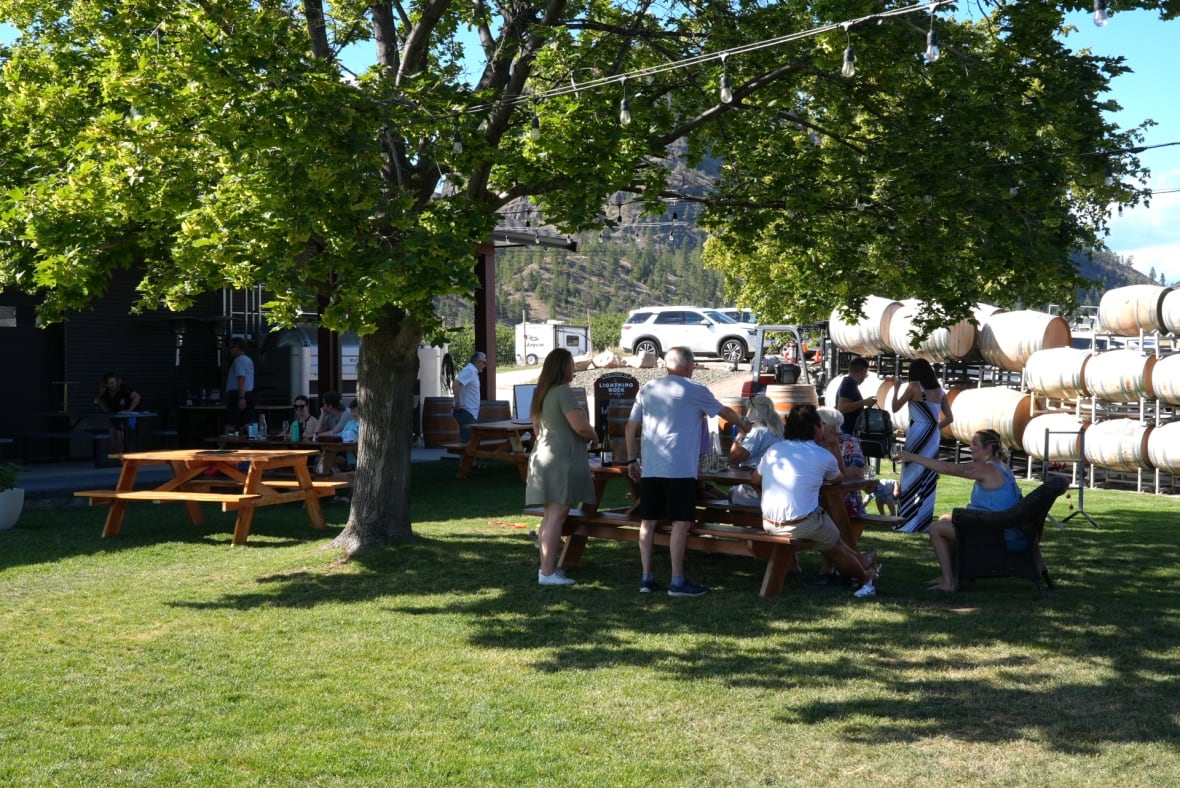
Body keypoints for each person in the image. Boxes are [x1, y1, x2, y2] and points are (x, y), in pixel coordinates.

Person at [624, 346, 751, 597]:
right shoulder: (694, 390)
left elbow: (630, 428)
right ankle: (677, 580)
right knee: (681, 524)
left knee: (647, 522)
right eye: (692, 364)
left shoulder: (648, 389)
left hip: (651, 466)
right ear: (689, 365)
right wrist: (744, 424)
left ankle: (646, 577)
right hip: (680, 468)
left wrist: (631, 460)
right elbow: (724, 412)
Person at [751, 404, 879, 598]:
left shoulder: (774, 450)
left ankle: (861, 559)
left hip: (768, 522)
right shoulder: (821, 455)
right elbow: (838, 478)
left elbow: (755, 480)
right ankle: (865, 576)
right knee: (835, 545)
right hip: (800, 523)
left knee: (831, 534)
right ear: (815, 428)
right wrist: (835, 445)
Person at [899, 429, 1021, 592]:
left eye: (974, 444)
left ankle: (949, 582)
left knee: (935, 529)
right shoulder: (1002, 467)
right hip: (999, 525)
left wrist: (912, 457)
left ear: (988, 448)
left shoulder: (985, 468)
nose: (970, 447)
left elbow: (948, 468)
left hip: (993, 532)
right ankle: (954, 574)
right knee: (944, 519)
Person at [525, 349, 600, 587]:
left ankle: (546, 570)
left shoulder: (542, 393)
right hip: (560, 460)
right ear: (562, 367)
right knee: (556, 518)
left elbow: (537, 429)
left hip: (543, 456)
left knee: (550, 517)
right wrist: (595, 436)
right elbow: (580, 427)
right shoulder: (563, 392)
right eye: (571, 364)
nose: (574, 368)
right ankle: (547, 573)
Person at [891, 358, 953, 533]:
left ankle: (906, 520)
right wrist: (933, 427)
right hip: (933, 436)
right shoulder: (940, 390)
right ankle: (923, 521)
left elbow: (895, 407)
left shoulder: (913, 387)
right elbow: (949, 418)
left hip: (917, 433)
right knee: (928, 473)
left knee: (910, 474)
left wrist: (896, 389)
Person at [727, 394, 783, 506]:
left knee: (732, 492)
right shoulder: (780, 430)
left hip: (760, 491)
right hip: (776, 489)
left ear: (754, 413)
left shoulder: (758, 432)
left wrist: (741, 433)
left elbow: (733, 458)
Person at [817, 406, 867, 521]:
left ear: (828, 426)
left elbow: (855, 475)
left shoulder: (848, 442)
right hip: (819, 501)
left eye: (818, 424)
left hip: (845, 502)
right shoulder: (816, 443)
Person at [96, 372, 141, 453]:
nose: (113, 384)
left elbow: (137, 397)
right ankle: (117, 457)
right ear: (106, 385)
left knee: (120, 434)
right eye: (110, 383)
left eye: (114, 382)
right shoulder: (104, 392)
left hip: (130, 416)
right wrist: (105, 409)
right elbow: (99, 400)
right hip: (116, 416)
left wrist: (129, 410)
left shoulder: (123, 388)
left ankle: (124, 458)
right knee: (112, 437)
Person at [836, 357, 877, 436]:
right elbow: (842, 408)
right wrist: (865, 402)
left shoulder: (849, 383)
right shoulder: (849, 384)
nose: (865, 377)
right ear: (862, 372)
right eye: (866, 374)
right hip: (846, 432)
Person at [453, 351, 486, 442]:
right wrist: (458, 403)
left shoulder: (473, 372)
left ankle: (465, 456)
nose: (484, 365)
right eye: (484, 362)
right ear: (477, 362)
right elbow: (456, 383)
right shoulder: (470, 371)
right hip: (466, 412)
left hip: (469, 413)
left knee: (470, 442)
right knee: (469, 442)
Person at [225, 337, 255, 432]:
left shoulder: (239, 360)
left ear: (237, 347)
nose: (230, 349)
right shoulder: (248, 360)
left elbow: (241, 379)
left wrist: (241, 398)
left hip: (238, 395)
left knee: (231, 424)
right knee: (246, 422)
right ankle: (248, 443)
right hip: (249, 394)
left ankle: (228, 443)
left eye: (231, 347)